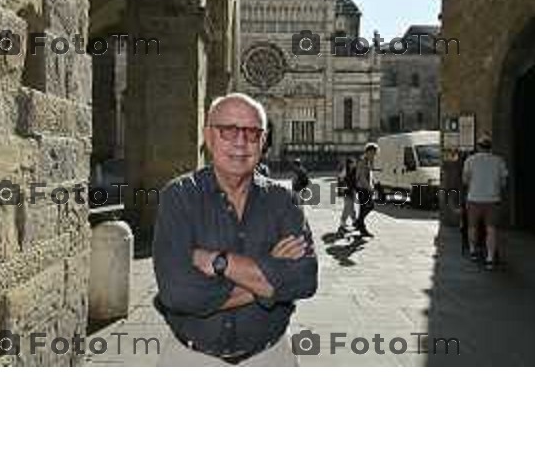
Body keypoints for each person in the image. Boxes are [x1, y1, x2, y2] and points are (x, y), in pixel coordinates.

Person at [152, 92, 318, 366]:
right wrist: (269, 280)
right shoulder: (179, 197)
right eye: (228, 130)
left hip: (270, 358)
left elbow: (303, 279)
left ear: (263, 142)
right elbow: (179, 293)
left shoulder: (283, 200)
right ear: (208, 136)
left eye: (252, 133)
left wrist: (220, 263)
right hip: (191, 359)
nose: (240, 142)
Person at [462, 134, 508, 267]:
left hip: (474, 198)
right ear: (490, 147)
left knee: (472, 227)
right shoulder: (499, 160)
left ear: (478, 147)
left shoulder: (470, 160)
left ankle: (472, 251)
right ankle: (490, 257)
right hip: (492, 199)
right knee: (491, 229)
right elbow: (504, 181)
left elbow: (465, 180)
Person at [354, 143, 379, 237]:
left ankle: (360, 225)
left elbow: (369, 174)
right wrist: (370, 188)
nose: (374, 155)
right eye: (373, 153)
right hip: (362, 188)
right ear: (368, 152)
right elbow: (361, 177)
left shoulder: (368, 161)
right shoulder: (362, 161)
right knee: (369, 206)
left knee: (364, 208)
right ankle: (359, 223)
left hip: (365, 187)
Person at [337, 157, 357, 234]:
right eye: (352, 163)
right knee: (348, 206)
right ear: (348, 164)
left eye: (354, 163)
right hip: (346, 191)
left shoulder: (354, 170)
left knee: (351, 206)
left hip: (352, 191)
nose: (353, 165)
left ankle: (354, 221)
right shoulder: (345, 170)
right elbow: (341, 180)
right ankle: (342, 222)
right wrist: (341, 190)